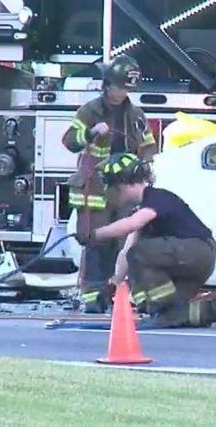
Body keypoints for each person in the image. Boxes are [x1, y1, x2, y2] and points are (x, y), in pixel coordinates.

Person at [82, 152, 216, 329]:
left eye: (112, 186)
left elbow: (132, 225)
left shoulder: (156, 197)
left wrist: (95, 234)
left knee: (139, 253)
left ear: (124, 183)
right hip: (191, 263)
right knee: (174, 315)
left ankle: (160, 306)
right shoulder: (142, 208)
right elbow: (126, 252)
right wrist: (114, 284)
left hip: (197, 251)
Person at [61, 55, 158, 314]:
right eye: (119, 87)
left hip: (125, 192)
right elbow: (69, 141)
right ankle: (92, 296)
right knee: (96, 243)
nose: (122, 93)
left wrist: (145, 165)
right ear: (107, 84)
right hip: (96, 190)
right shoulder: (90, 111)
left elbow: (149, 146)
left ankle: (117, 293)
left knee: (123, 243)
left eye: (127, 88)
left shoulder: (136, 115)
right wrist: (92, 132)